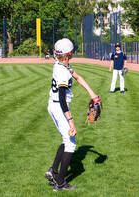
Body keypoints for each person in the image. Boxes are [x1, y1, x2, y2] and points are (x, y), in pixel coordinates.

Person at [45, 38, 100, 191]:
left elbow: (78, 77)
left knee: (66, 138)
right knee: (71, 142)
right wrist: (71, 122)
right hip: (59, 106)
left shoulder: (62, 65)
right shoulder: (62, 71)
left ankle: (53, 171)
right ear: (68, 54)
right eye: (73, 50)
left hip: (54, 105)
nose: (74, 51)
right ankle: (60, 183)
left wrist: (92, 94)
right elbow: (62, 100)